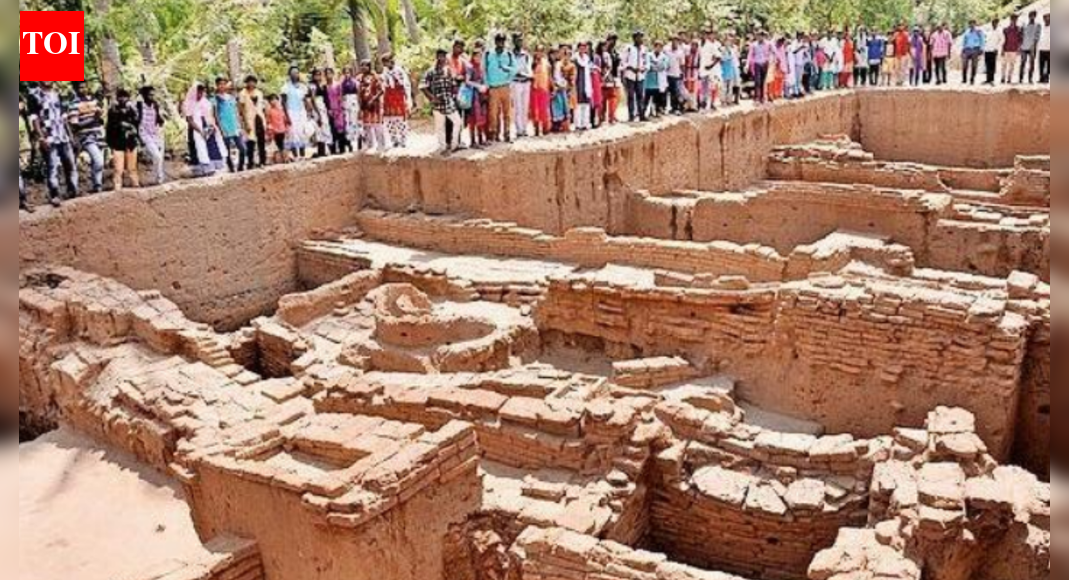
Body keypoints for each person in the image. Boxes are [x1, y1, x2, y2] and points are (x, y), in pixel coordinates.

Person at [35, 81, 78, 206]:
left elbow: (64, 117)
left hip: (62, 136)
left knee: (70, 165)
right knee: (52, 167)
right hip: (49, 137)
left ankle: (72, 192)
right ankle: (55, 195)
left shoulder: (58, 94)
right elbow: (34, 118)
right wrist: (42, 138)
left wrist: (70, 136)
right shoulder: (35, 96)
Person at [422, 49, 464, 153]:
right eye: (440, 56)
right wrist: (432, 98)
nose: (442, 59)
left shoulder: (448, 70)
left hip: (449, 102)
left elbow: (453, 84)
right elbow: (422, 86)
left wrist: (457, 86)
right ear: (437, 57)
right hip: (438, 104)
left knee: (458, 122)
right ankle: (443, 147)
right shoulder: (430, 72)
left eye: (444, 57)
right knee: (440, 127)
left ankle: (454, 145)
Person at [66, 82, 105, 194]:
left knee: (97, 161)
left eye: (84, 87)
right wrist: (94, 119)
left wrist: (98, 117)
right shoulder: (74, 103)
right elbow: (75, 125)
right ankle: (96, 184)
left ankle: (97, 186)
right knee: (99, 161)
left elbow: (100, 117)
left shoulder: (93, 100)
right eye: (80, 87)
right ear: (76, 89)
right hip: (86, 136)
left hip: (99, 134)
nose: (83, 89)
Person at [105, 88, 141, 190]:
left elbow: (137, 122)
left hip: (131, 142)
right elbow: (110, 127)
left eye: (125, 97)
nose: (123, 100)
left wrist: (133, 110)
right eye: (120, 97)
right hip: (118, 143)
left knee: (132, 169)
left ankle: (136, 187)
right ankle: (117, 189)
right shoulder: (113, 111)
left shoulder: (132, 110)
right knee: (118, 169)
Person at [486, 33, 517, 143]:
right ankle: (494, 134)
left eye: (502, 41)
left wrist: (506, 69)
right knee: (493, 113)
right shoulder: (489, 54)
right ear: (495, 42)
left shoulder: (508, 54)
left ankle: (507, 134)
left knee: (507, 112)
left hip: (505, 87)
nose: (500, 43)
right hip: (493, 88)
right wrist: (487, 85)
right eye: (498, 41)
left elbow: (515, 69)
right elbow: (484, 70)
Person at [184, 83, 217, 177]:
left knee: (207, 147)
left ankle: (208, 168)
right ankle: (198, 170)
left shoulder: (205, 102)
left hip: (205, 126)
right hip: (194, 128)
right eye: (198, 92)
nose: (200, 94)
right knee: (196, 148)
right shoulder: (188, 103)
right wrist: (199, 130)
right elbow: (189, 120)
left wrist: (210, 127)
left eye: (202, 92)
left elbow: (209, 115)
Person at [137, 86, 167, 186]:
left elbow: (158, 118)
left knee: (159, 158)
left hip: (156, 133)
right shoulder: (139, 105)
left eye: (153, 95)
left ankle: (159, 179)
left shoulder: (155, 105)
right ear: (144, 95)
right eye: (150, 95)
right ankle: (158, 178)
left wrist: (161, 120)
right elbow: (136, 120)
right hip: (144, 134)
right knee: (157, 156)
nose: (152, 96)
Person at [381, 54, 412, 149]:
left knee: (401, 120)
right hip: (388, 98)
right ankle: (394, 140)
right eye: (384, 63)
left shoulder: (399, 71)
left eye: (388, 61)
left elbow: (406, 84)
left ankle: (403, 140)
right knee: (390, 121)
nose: (386, 64)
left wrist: (407, 98)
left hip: (399, 97)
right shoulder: (385, 72)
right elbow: (383, 86)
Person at [214, 77, 245, 171]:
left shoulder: (231, 97)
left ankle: (240, 167)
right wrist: (221, 128)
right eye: (220, 84)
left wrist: (239, 125)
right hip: (224, 125)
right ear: (217, 85)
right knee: (227, 149)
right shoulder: (216, 99)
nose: (222, 86)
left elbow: (235, 112)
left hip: (234, 125)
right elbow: (216, 115)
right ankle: (231, 168)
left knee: (242, 148)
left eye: (224, 84)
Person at [281, 67, 311, 158]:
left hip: (301, 111)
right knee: (293, 133)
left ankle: (302, 155)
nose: (295, 74)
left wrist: (309, 110)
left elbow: (305, 100)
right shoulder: (285, 87)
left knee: (302, 132)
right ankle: (295, 156)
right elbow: (283, 102)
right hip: (291, 111)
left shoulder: (302, 86)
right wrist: (287, 116)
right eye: (293, 73)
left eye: (297, 73)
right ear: (289, 75)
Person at [238, 76, 268, 168]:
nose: (251, 84)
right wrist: (245, 122)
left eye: (253, 82)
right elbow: (241, 109)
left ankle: (262, 161)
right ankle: (250, 162)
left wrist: (265, 117)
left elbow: (262, 106)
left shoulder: (259, 93)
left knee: (261, 140)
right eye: (249, 82)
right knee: (250, 141)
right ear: (246, 83)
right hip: (249, 117)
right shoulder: (242, 93)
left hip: (259, 117)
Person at [358, 60, 387, 152]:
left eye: (365, 66)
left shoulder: (375, 77)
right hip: (364, 105)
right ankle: (369, 145)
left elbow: (381, 90)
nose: (363, 67)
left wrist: (373, 99)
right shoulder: (360, 78)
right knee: (366, 126)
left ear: (369, 67)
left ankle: (381, 145)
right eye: (361, 65)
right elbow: (359, 92)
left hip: (375, 105)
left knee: (377, 125)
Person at [465, 48, 491, 146]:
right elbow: (467, 81)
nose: (478, 58)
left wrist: (485, 86)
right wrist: (478, 86)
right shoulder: (470, 67)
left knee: (481, 117)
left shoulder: (481, 67)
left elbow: (484, 79)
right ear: (473, 56)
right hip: (473, 95)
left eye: (480, 56)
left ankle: (481, 139)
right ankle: (472, 141)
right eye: (476, 56)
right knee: (473, 119)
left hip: (481, 95)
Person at [510, 34, 534, 138]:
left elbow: (528, 68)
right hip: (515, 82)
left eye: (520, 40)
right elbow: (512, 70)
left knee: (525, 106)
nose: (519, 42)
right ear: (513, 41)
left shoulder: (526, 55)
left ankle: (524, 129)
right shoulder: (510, 55)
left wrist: (528, 75)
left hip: (526, 82)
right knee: (517, 107)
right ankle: (519, 130)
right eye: (517, 40)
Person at [623, 31, 649, 121]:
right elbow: (623, 61)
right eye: (638, 37)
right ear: (634, 38)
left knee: (640, 95)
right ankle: (631, 115)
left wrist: (643, 68)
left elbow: (647, 62)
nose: (640, 39)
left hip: (640, 75)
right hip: (630, 75)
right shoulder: (628, 48)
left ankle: (641, 114)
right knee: (630, 95)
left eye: (641, 37)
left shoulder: (644, 49)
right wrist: (630, 67)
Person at [310, 69, 335, 157]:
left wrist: (328, 109)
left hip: (323, 107)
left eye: (320, 75)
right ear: (313, 76)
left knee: (326, 127)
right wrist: (318, 114)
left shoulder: (323, 86)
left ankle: (331, 149)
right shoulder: (313, 86)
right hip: (317, 108)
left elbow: (326, 99)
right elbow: (313, 99)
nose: (318, 77)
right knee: (320, 129)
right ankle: (322, 150)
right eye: (316, 75)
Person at [324, 68, 349, 154]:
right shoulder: (325, 87)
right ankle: (333, 149)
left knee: (340, 128)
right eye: (326, 74)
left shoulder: (337, 85)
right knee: (332, 129)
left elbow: (340, 97)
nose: (328, 75)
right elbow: (325, 99)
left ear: (333, 74)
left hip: (338, 109)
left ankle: (342, 148)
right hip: (329, 110)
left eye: (330, 73)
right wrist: (328, 109)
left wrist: (340, 108)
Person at [530, 46, 553, 136]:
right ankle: (536, 130)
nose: (539, 53)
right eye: (537, 51)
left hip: (544, 88)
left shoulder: (547, 63)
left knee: (544, 110)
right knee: (535, 109)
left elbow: (549, 76)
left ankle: (545, 129)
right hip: (534, 89)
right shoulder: (531, 62)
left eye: (541, 51)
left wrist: (553, 87)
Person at [574, 42, 596, 130]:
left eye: (584, 47)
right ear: (578, 48)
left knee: (586, 104)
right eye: (581, 47)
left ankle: (585, 123)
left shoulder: (587, 58)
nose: (583, 49)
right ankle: (578, 124)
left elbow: (591, 67)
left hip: (586, 83)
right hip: (578, 83)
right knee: (578, 104)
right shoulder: (575, 59)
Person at [644, 41, 669, 117]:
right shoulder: (648, 55)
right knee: (646, 98)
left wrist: (654, 66)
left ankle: (656, 112)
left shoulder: (664, 57)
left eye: (660, 47)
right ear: (654, 47)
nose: (659, 48)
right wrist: (655, 66)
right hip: (648, 81)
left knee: (657, 99)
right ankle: (643, 113)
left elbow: (663, 66)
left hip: (658, 81)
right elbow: (648, 65)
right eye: (657, 46)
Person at [698, 30, 722, 110]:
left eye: (706, 34)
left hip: (710, 71)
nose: (704, 36)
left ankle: (710, 104)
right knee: (702, 88)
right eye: (703, 34)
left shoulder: (712, 45)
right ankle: (703, 104)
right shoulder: (700, 44)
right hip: (702, 70)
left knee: (710, 87)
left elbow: (718, 57)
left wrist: (711, 66)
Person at [341, 66, 362, 150]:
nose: (347, 74)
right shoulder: (342, 83)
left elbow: (358, 94)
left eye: (348, 72)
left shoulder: (355, 82)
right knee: (348, 122)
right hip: (346, 103)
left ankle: (359, 142)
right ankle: (350, 143)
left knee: (355, 122)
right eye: (345, 72)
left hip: (354, 102)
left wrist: (360, 106)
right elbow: (341, 95)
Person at [749, 31, 773, 104]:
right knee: (757, 81)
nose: (760, 37)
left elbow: (773, 52)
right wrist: (747, 64)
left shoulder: (768, 44)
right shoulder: (754, 45)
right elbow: (750, 54)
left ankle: (762, 98)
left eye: (761, 36)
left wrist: (771, 59)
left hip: (765, 64)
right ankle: (756, 98)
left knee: (763, 81)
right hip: (757, 64)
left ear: (763, 36)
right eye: (759, 36)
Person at [600, 40, 621, 123]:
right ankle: (602, 116)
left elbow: (611, 66)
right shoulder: (599, 55)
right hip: (602, 79)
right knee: (603, 99)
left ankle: (611, 116)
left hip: (611, 78)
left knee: (613, 98)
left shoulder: (613, 53)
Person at [665, 36, 686, 113]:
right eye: (673, 41)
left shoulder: (680, 52)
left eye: (676, 41)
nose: (674, 42)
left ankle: (677, 107)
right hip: (667, 74)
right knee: (669, 92)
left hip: (676, 74)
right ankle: (672, 107)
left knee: (676, 92)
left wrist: (682, 73)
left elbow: (682, 64)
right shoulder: (666, 50)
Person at [266, 94, 289, 163]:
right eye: (271, 100)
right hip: (275, 131)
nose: (273, 101)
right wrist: (270, 130)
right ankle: (284, 158)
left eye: (274, 99)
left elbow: (284, 119)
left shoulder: (281, 109)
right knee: (279, 145)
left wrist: (286, 128)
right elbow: (268, 121)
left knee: (282, 144)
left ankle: (285, 158)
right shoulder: (269, 111)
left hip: (282, 129)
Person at [1020, 11, 1041, 84]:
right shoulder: (1024, 24)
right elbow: (1021, 35)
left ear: (1035, 16)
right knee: (1023, 62)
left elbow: (1037, 37)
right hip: (1024, 47)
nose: (1032, 17)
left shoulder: (1038, 25)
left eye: (1033, 15)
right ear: (1029, 16)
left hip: (1032, 48)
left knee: (1031, 63)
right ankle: (1021, 78)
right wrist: (1020, 45)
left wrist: (1034, 46)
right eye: (1030, 15)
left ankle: (1030, 78)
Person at [961, 21, 984, 85]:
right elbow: (964, 40)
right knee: (964, 64)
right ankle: (964, 79)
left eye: (973, 23)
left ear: (975, 24)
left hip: (975, 49)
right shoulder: (967, 31)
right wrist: (963, 48)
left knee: (974, 65)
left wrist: (981, 48)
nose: (971, 25)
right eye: (970, 24)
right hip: (967, 49)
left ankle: (972, 79)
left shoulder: (978, 31)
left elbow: (982, 40)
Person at [1002, 15, 1023, 84]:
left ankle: (1009, 78)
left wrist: (1019, 49)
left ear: (1017, 20)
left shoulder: (1019, 29)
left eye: (1015, 19)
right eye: (1012, 19)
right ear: (1010, 20)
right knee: (1004, 64)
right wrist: (1002, 49)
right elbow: (1003, 40)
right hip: (1006, 49)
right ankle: (1003, 77)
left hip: (1014, 49)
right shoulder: (1006, 29)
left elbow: (1020, 40)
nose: (1013, 21)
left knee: (1012, 65)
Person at [722, 35, 741, 105]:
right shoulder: (722, 49)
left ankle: (729, 100)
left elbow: (737, 57)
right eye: (727, 41)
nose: (728, 43)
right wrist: (728, 58)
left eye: (729, 41)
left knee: (731, 85)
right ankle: (723, 100)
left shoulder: (733, 49)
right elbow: (722, 59)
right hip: (724, 69)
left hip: (732, 69)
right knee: (724, 86)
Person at [983, 17, 1002, 85]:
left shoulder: (999, 30)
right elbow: (985, 38)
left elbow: (1002, 40)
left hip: (993, 50)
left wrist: (997, 48)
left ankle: (992, 79)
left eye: (996, 22)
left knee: (992, 65)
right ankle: (987, 79)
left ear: (997, 23)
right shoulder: (989, 30)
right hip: (987, 49)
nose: (994, 23)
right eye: (993, 22)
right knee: (987, 64)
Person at [1038, 13, 1050, 84]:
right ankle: (1041, 78)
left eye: (1048, 18)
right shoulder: (1041, 27)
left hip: (1049, 49)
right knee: (1041, 64)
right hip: (1041, 48)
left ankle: (1046, 77)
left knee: (1049, 65)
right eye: (1045, 18)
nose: (1046, 19)